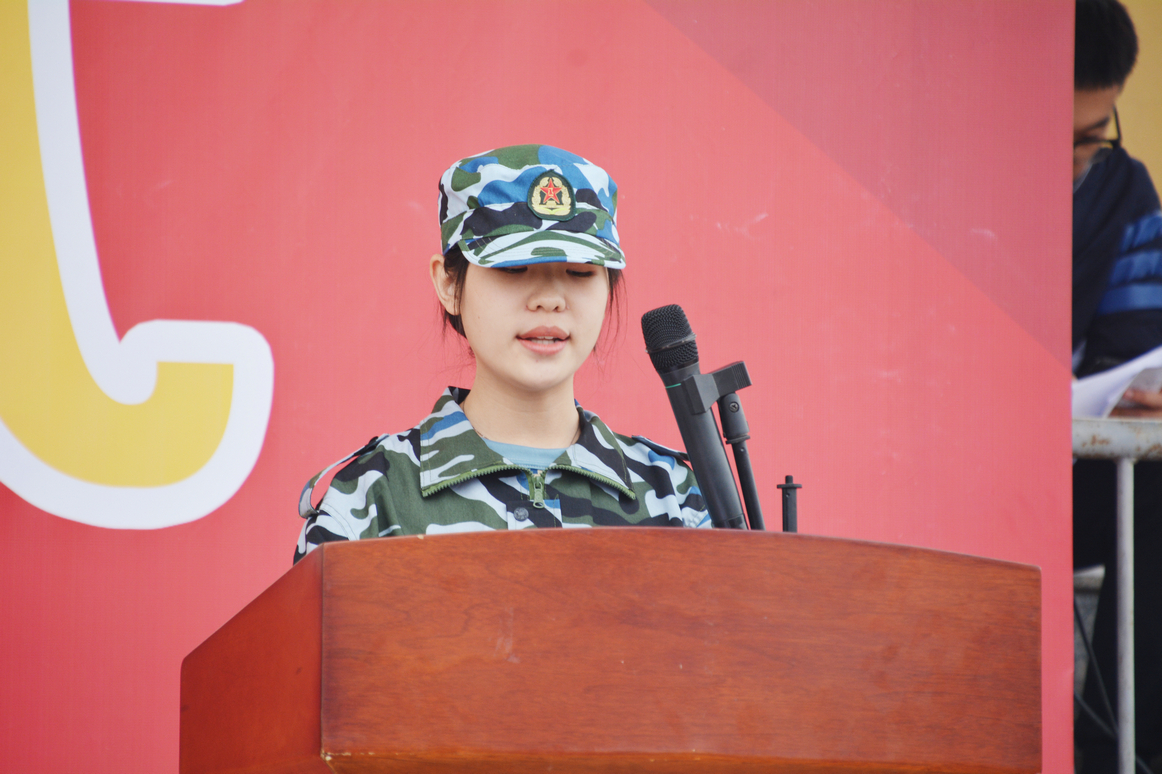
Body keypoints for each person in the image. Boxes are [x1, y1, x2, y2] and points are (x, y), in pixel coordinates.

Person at [294, 145, 710, 563]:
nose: (549, 299)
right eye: (513, 269)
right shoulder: (370, 502)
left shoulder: (676, 498)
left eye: (579, 272)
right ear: (449, 285)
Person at [1071, 2, 1162, 772]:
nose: (1074, 160)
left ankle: (1114, 752)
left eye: (1091, 138)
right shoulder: (946, 176)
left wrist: (1143, 394)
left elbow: (1132, 354)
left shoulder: (1122, 195)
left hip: (1071, 477)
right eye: (1053, 138)